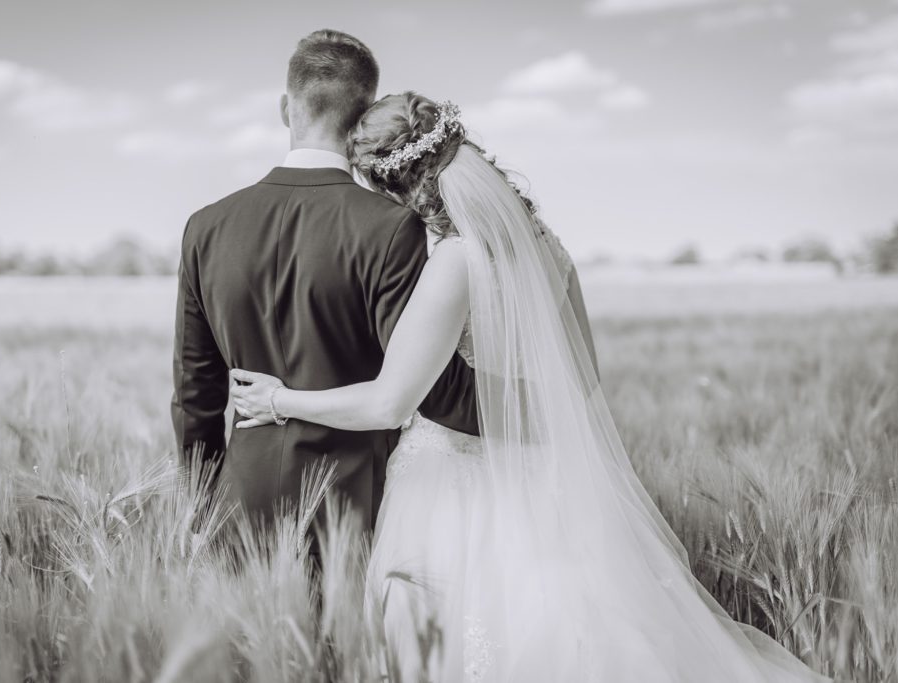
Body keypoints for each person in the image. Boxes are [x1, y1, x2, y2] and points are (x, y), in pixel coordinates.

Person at [229, 93, 830, 681]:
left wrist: (277, 399)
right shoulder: (551, 249)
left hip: (452, 495)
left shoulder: (455, 263)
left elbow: (389, 403)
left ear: (395, 186)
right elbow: (581, 383)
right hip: (548, 490)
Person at [170, 31, 479, 538]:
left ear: (285, 109)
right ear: (363, 118)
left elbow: (195, 394)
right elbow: (436, 393)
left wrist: (198, 509)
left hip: (237, 505)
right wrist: (545, 409)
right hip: (357, 504)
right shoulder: (391, 226)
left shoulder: (205, 226)